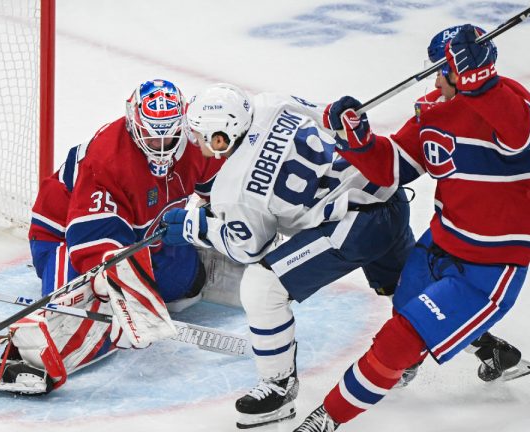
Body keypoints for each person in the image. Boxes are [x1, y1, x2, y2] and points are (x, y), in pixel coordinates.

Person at [294, 24, 530, 431]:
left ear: (463, 70)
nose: (434, 80)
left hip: (493, 260)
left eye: (440, 70)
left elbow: (520, 135)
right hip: (443, 240)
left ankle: (327, 418)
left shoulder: (509, 100)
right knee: (406, 312)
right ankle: (491, 354)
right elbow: (390, 169)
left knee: (400, 339)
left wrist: (481, 82)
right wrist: (358, 140)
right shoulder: (433, 108)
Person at [162, 83, 415, 429]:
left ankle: (279, 386)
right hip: (386, 191)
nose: (197, 143)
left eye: (201, 136)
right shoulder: (271, 103)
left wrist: (199, 228)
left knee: (262, 287)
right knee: (414, 286)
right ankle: (484, 345)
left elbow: (250, 247)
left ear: (221, 138)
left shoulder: (232, 191)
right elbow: (332, 117)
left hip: (357, 227)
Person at [0, 78, 227, 395]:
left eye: (169, 136)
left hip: (143, 235)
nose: (161, 147)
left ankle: (147, 286)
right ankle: (27, 361)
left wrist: (224, 226)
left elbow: (219, 189)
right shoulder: (107, 159)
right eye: (151, 137)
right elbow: (88, 239)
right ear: (134, 125)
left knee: (184, 282)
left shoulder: (193, 139)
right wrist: (115, 285)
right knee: (91, 297)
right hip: (67, 235)